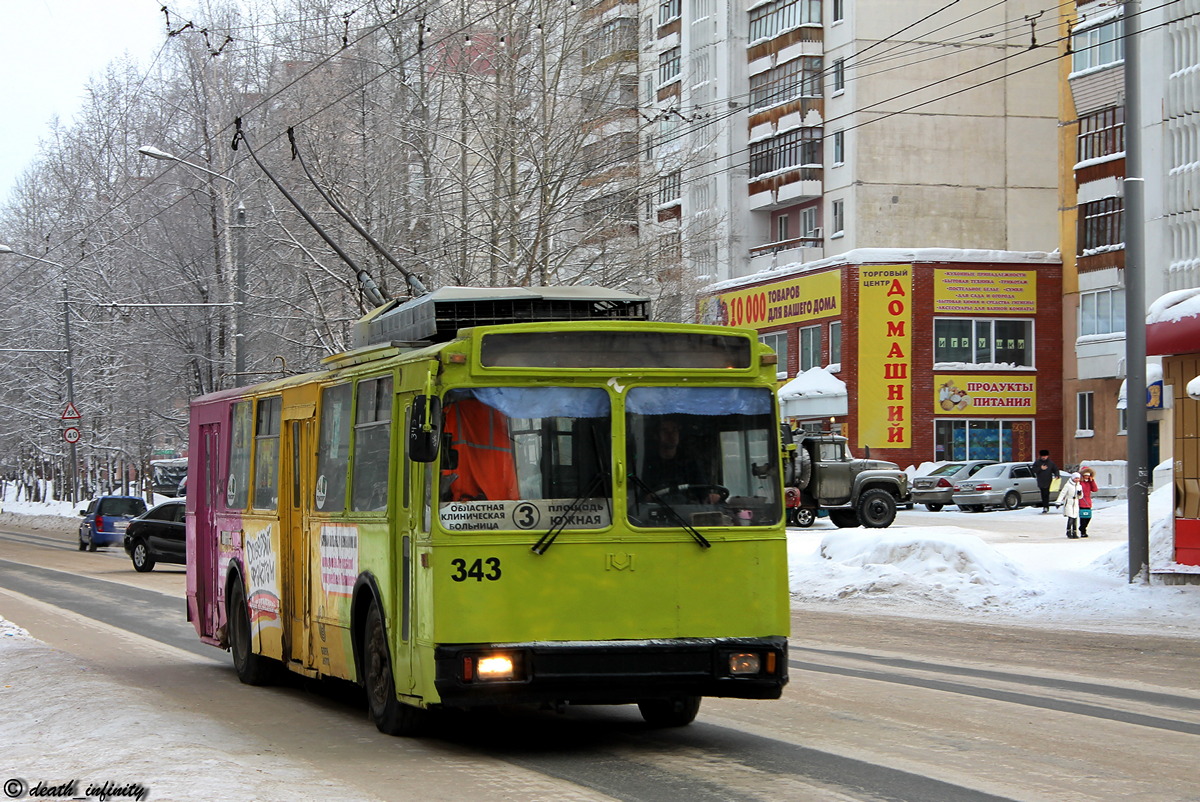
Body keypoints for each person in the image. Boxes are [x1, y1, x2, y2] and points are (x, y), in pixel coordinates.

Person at [642, 417, 722, 504]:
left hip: (686, 512)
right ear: (656, 436)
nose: (671, 434)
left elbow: (702, 492)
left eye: (674, 430)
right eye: (665, 431)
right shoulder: (648, 465)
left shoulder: (690, 463)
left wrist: (711, 497)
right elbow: (641, 496)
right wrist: (647, 498)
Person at [1057, 471, 1083, 538]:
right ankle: (1068, 531)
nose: (1077, 480)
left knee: (1075, 518)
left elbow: (1080, 497)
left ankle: (1075, 532)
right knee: (1071, 517)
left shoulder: (1079, 486)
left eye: (1078, 478)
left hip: (1076, 502)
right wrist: (1058, 502)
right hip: (1069, 502)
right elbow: (1062, 493)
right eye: (1075, 478)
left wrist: (1080, 494)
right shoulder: (1068, 485)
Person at [1078, 466, 1099, 537]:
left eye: (1088, 475)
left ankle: (1083, 528)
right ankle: (1083, 531)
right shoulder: (1080, 482)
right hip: (1081, 501)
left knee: (1088, 517)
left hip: (1088, 502)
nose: (1087, 477)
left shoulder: (1089, 482)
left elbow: (1095, 489)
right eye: (1085, 475)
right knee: (1083, 517)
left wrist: (1092, 481)